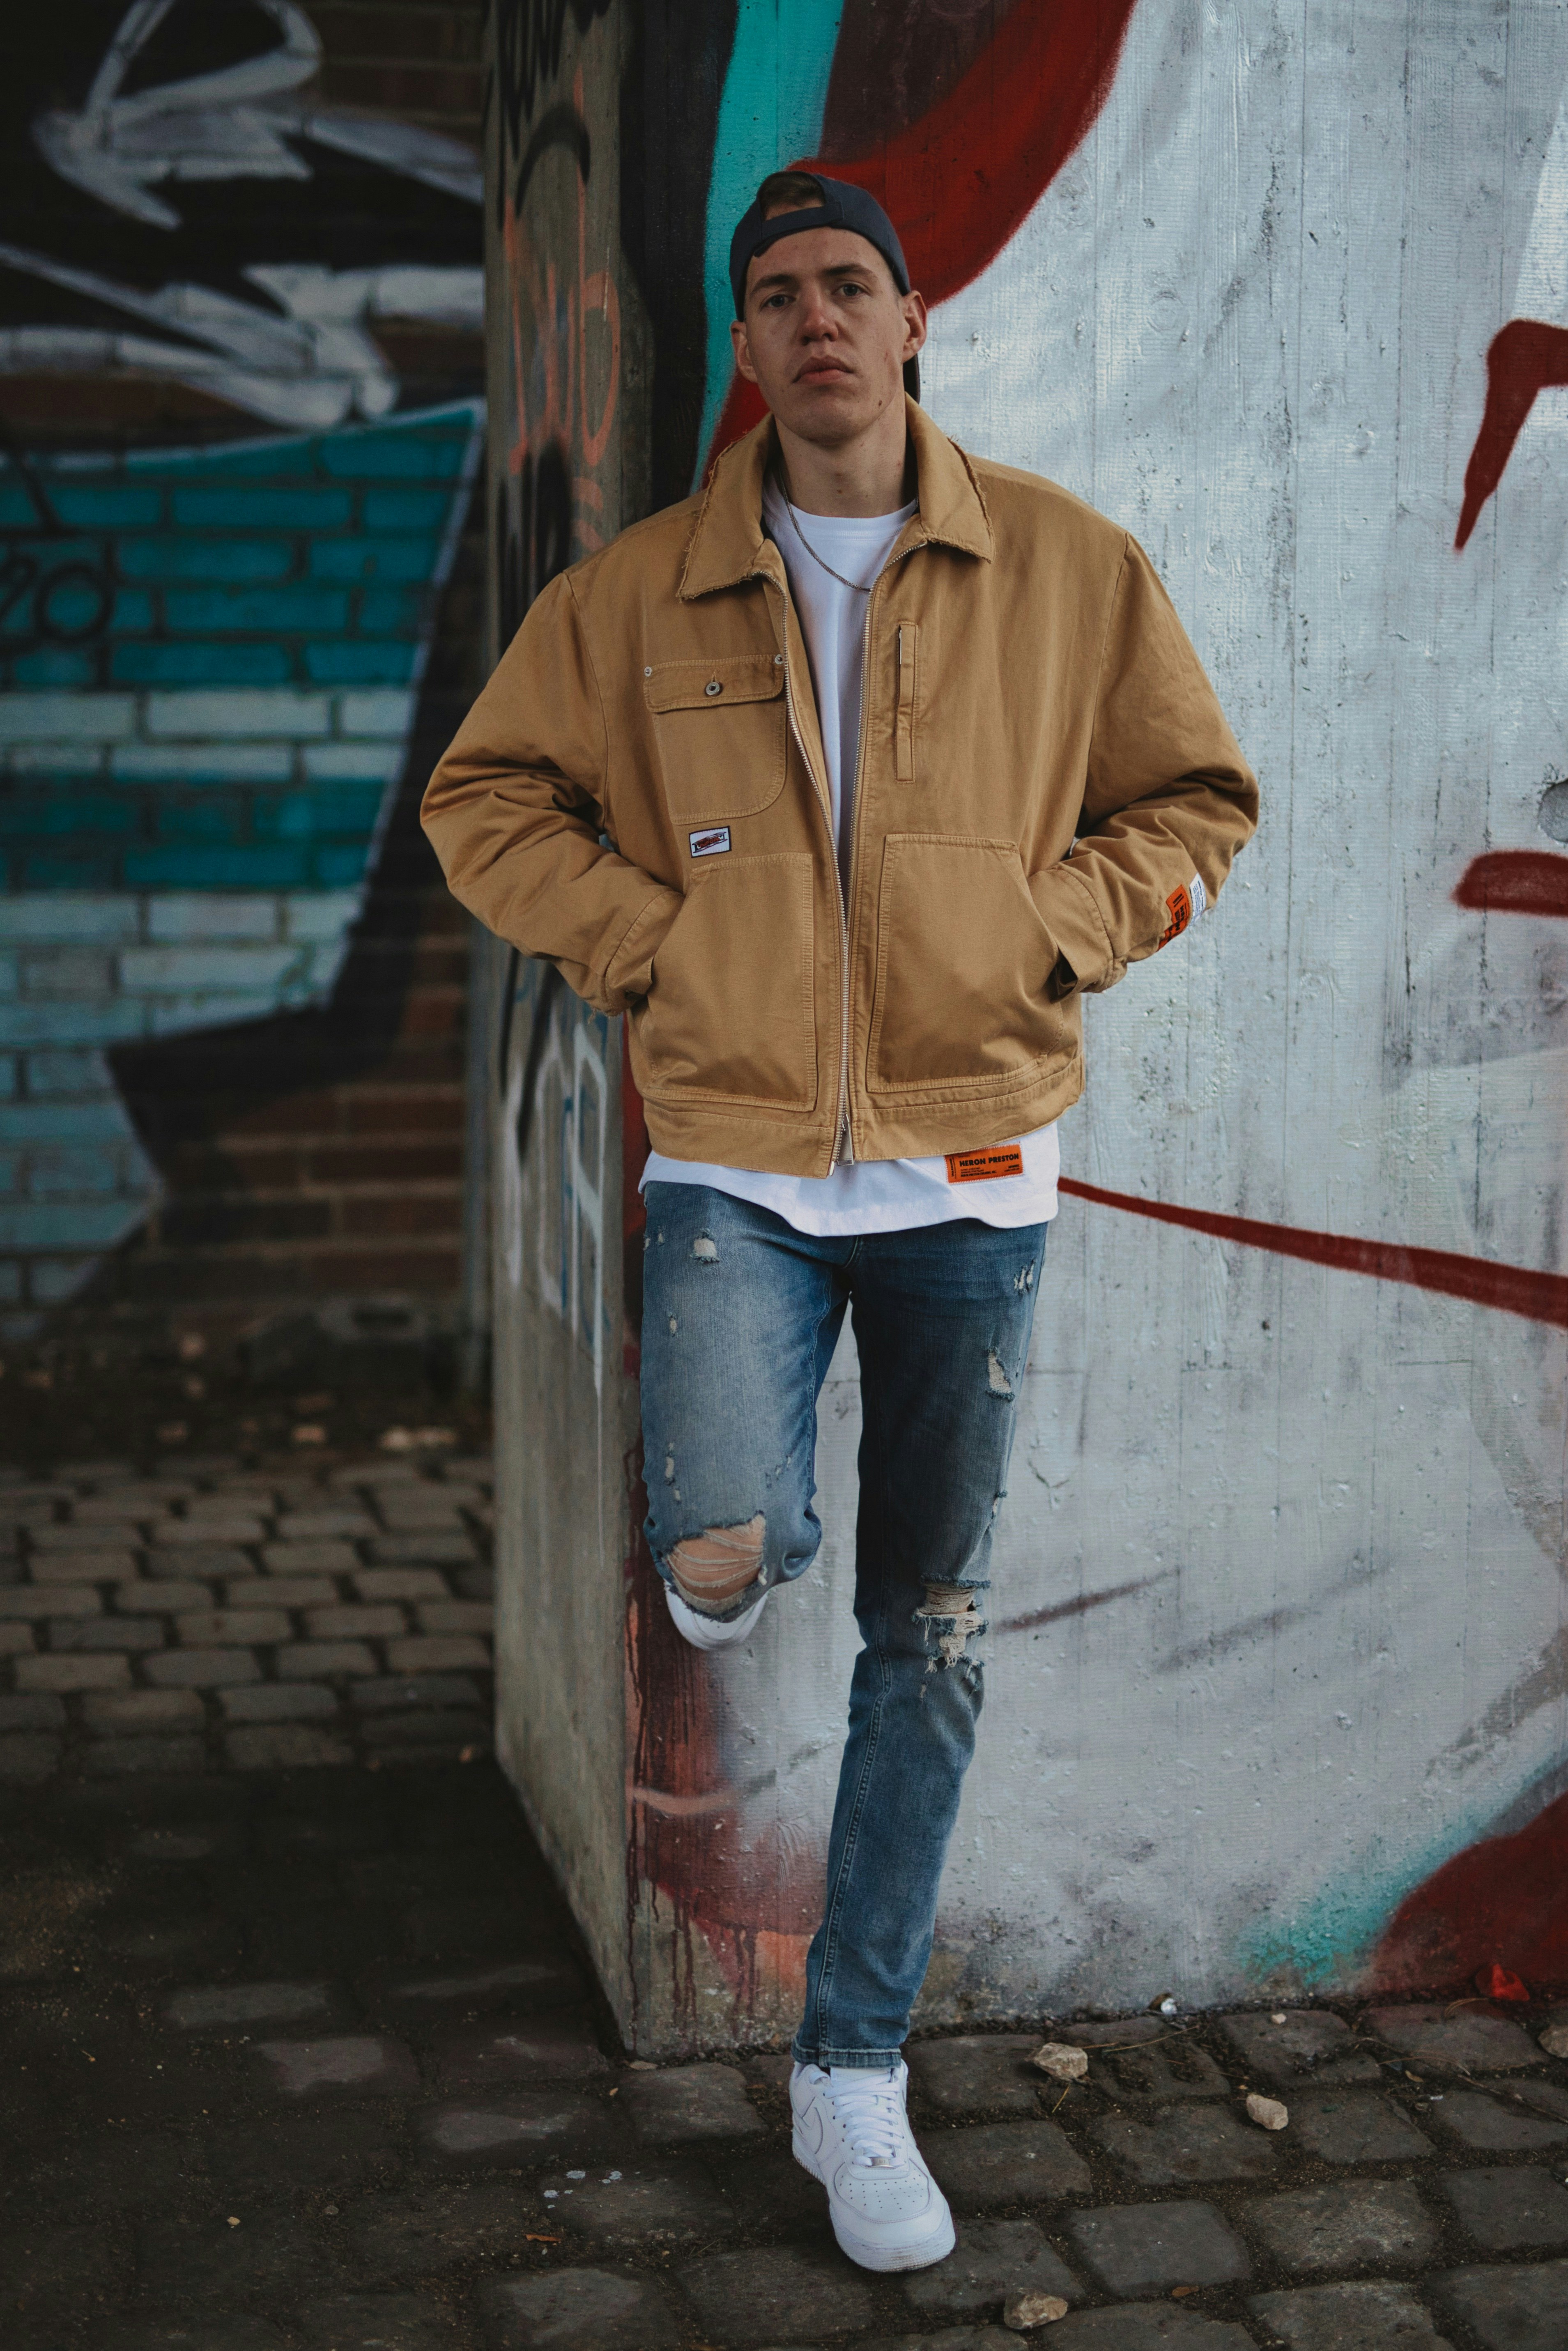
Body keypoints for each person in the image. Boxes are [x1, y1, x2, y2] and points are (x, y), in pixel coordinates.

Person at [423, 169, 1257, 2275]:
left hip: (974, 1168)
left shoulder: (1066, 569)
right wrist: (654, 946)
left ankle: (850, 2073)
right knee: (725, 1535)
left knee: (931, 1628)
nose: (814, 319)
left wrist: (1044, 929)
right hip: (734, 1164)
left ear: (911, 323)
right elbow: (482, 800)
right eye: (774, 293)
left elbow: (1195, 808)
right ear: (745, 343)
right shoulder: (638, 596)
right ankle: (732, 1548)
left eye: (848, 287)